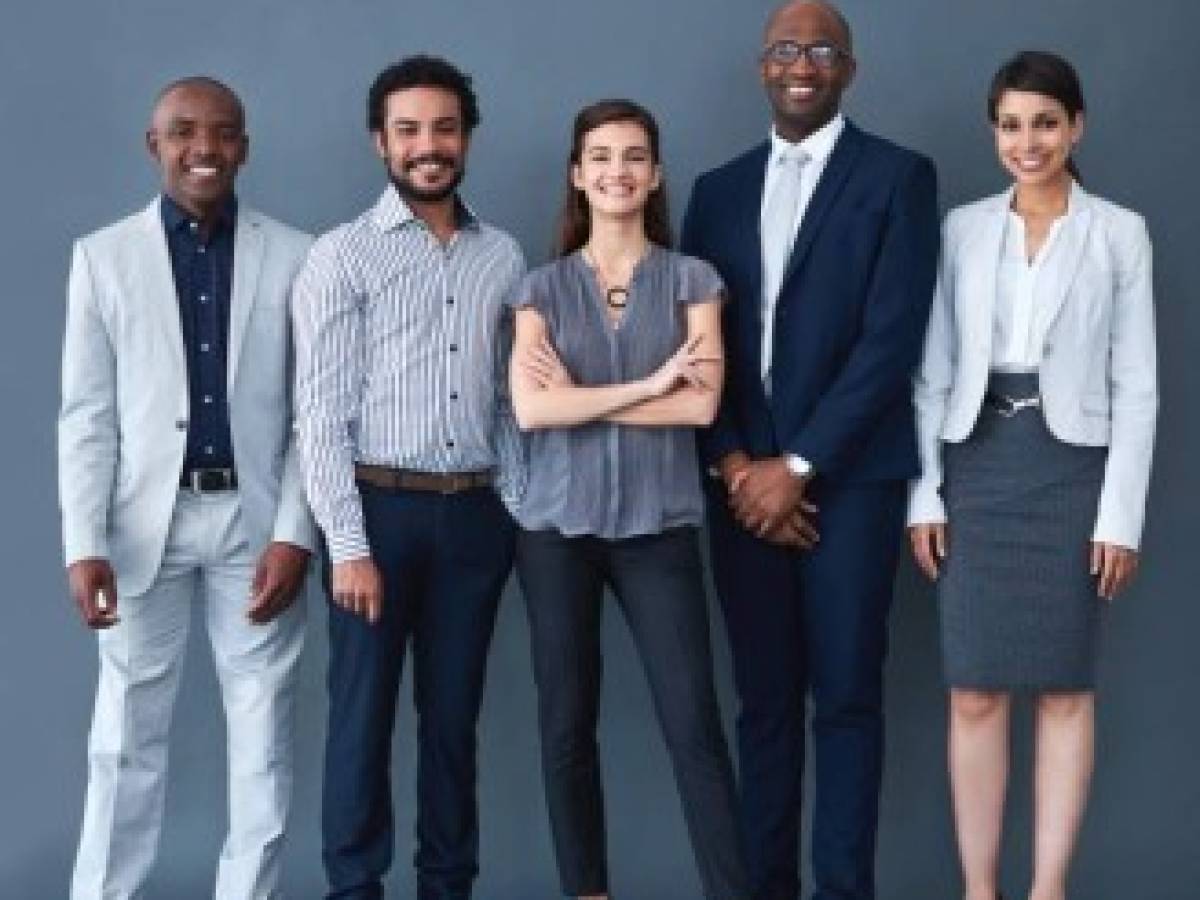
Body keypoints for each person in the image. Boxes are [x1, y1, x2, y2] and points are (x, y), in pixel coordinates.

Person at [680, 1, 940, 896]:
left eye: (822, 50)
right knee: (763, 709)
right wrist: (737, 468)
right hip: (740, 487)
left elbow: (890, 338)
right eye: (787, 49)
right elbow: (697, 344)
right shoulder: (716, 189)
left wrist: (798, 468)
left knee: (847, 703)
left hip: (852, 485)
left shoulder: (898, 177)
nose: (804, 63)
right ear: (763, 67)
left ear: (848, 70)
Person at [908, 51, 1157, 900]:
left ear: (1076, 126)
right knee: (974, 691)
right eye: (1011, 124)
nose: (1028, 141)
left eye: (1046, 122)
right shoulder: (962, 229)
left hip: (1074, 473)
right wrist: (924, 492)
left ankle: (1048, 890)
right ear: (995, 131)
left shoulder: (1119, 232)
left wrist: (1119, 516)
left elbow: (1138, 384)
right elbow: (933, 369)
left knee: (1062, 689)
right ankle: (980, 890)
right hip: (975, 466)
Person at [60, 77, 316, 899]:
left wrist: (294, 533)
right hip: (144, 529)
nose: (203, 148)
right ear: (154, 144)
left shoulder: (297, 255)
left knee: (261, 743)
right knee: (125, 740)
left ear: (245, 146)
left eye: (222, 133)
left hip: (255, 525)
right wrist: (85, 543)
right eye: (183, 132)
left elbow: (316, 414)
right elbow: (87, 416)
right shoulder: (103, 258)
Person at [292, 55, 525, 899]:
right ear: (379, 142)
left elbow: (506, 400)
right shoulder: (340, 257)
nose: (428, 146)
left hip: (474, 519)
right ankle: (354, 888)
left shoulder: (502, 254)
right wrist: (347, 547)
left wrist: (518, 510)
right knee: (361, 722)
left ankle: (447, 887)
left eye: (444, 128)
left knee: (452, 727)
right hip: (375, 516)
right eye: (409, 130)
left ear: (466, 137)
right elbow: (319, 415)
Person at [507, 99, 748, 900]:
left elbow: (701, 407)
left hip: (660, 530)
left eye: (635, 156)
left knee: (695, 730)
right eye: (601, 156)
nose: (618, 171)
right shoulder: (537, 289)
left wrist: (592, 394)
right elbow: (534, 410)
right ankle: (589, 892)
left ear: (656, 175)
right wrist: (647, 383)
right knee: (566, 730)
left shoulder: (693, 282)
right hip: (555, 534)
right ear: (578, 175)